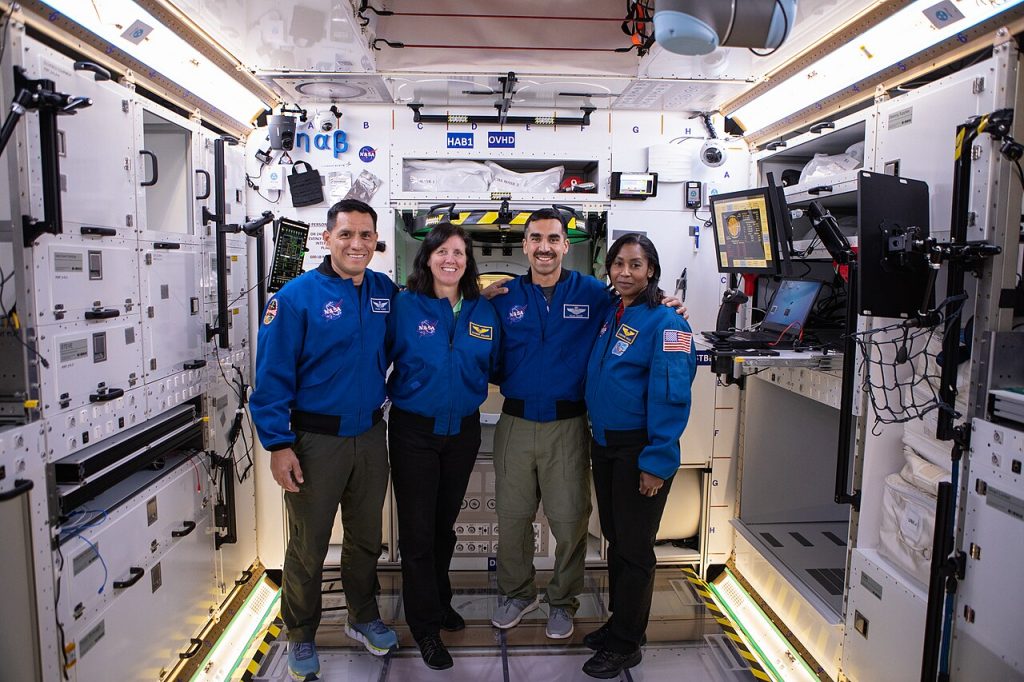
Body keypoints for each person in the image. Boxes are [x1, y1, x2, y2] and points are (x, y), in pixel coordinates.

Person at [250, 199, 399, 681]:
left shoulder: (383, 291)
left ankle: (362, 616)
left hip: (371, 436)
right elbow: (270, 379)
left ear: (376, 242)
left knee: (365, 540)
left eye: (366, 237)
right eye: (347, 235)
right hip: (314, 442)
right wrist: (277, 445)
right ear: (326, 238)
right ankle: (301, 632)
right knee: (309, 545)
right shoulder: (294, 298)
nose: (357, 245)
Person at [486, 208, 613, 639]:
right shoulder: (502, 296)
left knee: (570, 519)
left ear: (566, 244)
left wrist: (667, 302)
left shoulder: (594, 293)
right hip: (516, 423)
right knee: (513, 517)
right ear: (524, 245)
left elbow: (634, 307)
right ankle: (517, 593)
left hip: (568, 426)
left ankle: (562, 600)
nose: (544, 247)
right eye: (536, 238)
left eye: (553, 239)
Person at [581, 233, 697, 679]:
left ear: (651, 270)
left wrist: (656, 462)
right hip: (606, 444)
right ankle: (621, 624)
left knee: (634, 549)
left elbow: (672, 396)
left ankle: (626, 644)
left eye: (635, 265)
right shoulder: (615, 313)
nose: (625, 272)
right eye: (618, 264)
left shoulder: (668, 323)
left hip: (638, 450)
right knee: (617, 539)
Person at [385, 223, 501, 670]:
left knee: (443, 528)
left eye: (459, 252)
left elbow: (492, 364)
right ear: (427, 257)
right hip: (414, 430)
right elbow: (380, 354)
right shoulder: (404, 305)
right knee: (416, 533)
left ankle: (439, 601)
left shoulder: (482, 310)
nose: (451, 259)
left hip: (462, 431)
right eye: (442, 251)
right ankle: (425, 627)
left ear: (467, 261)